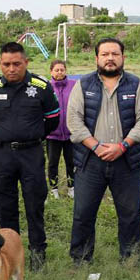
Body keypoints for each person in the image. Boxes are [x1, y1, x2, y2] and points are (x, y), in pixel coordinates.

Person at [67, 38, 140, 266]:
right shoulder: (83, 85)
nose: (110, 58)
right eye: (105, 54)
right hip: (90, 160)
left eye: (115, 53)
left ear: (123, 57)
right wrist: (95, 145)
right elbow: (73, 120)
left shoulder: (136, 85)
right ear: (97, 58)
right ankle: (81, 260)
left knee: (130, 215)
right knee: (83, 213)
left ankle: (131, 260)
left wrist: (123, 146)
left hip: (126, 161)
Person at [0, 42, 60, 272]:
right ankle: (9, 252)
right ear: (0, 64)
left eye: (16, 64)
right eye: (6, 64)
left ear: (26, 62)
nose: (11, 69)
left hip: (31, 153)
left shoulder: (41, 86)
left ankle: (37, 252)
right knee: (5, 205)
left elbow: (52, 119)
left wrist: (32, 136)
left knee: (34, 204)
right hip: (2, 154)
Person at [46, 59, 77, 199]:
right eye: (56, 70)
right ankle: (54, 189)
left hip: (70, 133)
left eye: (62, 70)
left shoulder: (74, 85)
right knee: (53, 163)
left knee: (71, 162)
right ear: (51, 71)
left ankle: (72, 187)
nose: (59, 72)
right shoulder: (47, 87)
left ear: (66, 70)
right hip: (53, 134)